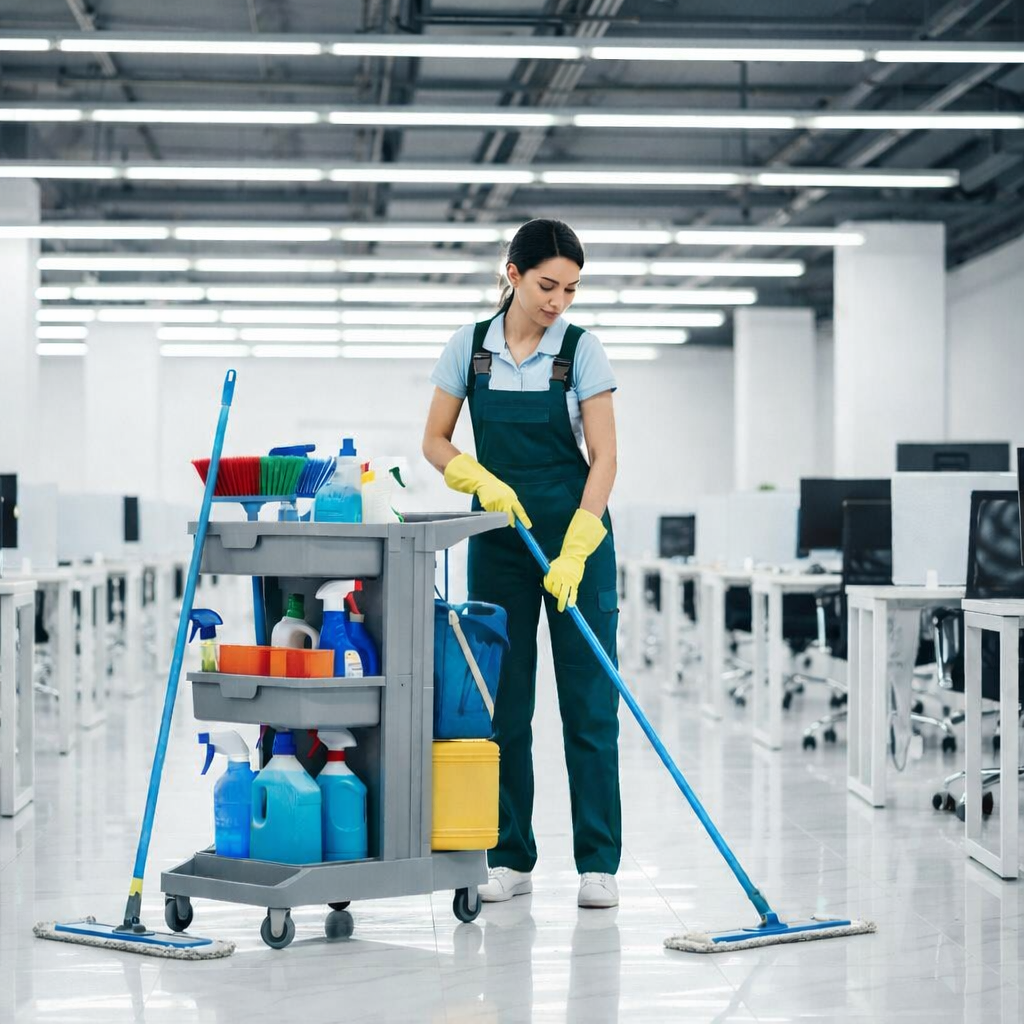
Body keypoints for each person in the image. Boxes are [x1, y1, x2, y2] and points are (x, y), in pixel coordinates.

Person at [422, 218, 622, 909]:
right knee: (503, 703)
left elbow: (606, 459)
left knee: (590, 704)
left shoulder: (582, 352)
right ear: (511, 273)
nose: (558, 300)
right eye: (546, 285)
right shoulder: (469, 348)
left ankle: (599, 864)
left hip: (578, 543)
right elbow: (435, 441)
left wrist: (579, 543)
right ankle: (510, 856)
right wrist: (476, 477)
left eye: (570, 288)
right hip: (500, 537)